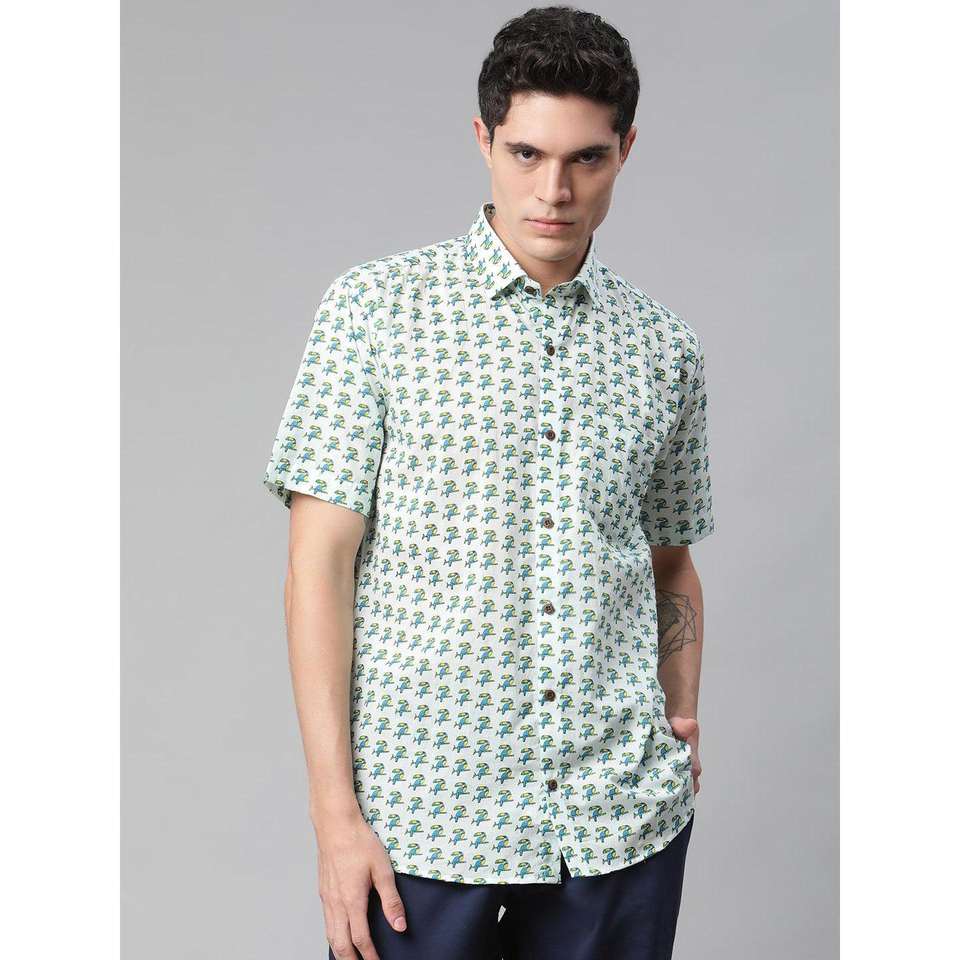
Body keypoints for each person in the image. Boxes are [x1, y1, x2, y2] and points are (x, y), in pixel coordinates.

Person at [262, 6, 716, 958]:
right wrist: (334, 815)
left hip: (617, 817)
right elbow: (318, 570)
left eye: (587, 159)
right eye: (526, 154)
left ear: (627, 151)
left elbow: (670, 561)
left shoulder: (664, 348)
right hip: (422, 814)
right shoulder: (376, 311)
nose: (554, 190)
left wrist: (679, 715)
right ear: (483, 138)